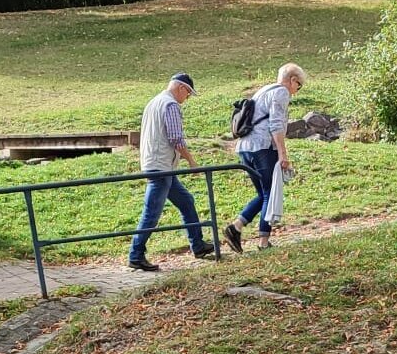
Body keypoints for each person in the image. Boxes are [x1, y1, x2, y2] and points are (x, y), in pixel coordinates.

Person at [128, 73, 216, 272]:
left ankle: (198, 245)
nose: (187, 99)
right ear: (181, 88)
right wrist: (192, 160)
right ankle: (135, 254)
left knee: (186, 201)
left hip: (156, 163)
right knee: (152, 212)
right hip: (161, 166)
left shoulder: (154, 102)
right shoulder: (170, 105)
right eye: (189, 94)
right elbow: (176, 138)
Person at [222, 63, 306, 254]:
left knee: (262, 194)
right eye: (298, 85)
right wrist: (283, 154)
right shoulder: (282, 93)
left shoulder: (264, 90)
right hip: (262, 147)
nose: (297, 91)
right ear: (292, 80)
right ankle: (263, 241)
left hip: (244, 148)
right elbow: (276, 124)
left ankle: (235, 227)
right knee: (269, 192)